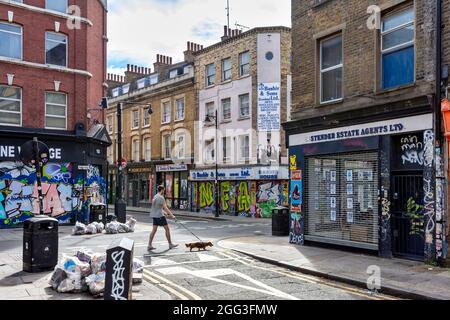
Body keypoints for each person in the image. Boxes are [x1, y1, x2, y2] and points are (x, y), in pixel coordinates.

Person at [148, 186, 179, 251]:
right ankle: (170, 244)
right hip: (159, 216)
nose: (164, 191)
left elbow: (157, 207)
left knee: (154, 230)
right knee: (167, 229)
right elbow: (165, 207)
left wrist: (164, 213)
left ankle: (149, 245)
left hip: (155, 216)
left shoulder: (155, 196)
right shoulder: (161, 198)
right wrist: (172, 215)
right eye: (163, 190)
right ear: (162, 190)